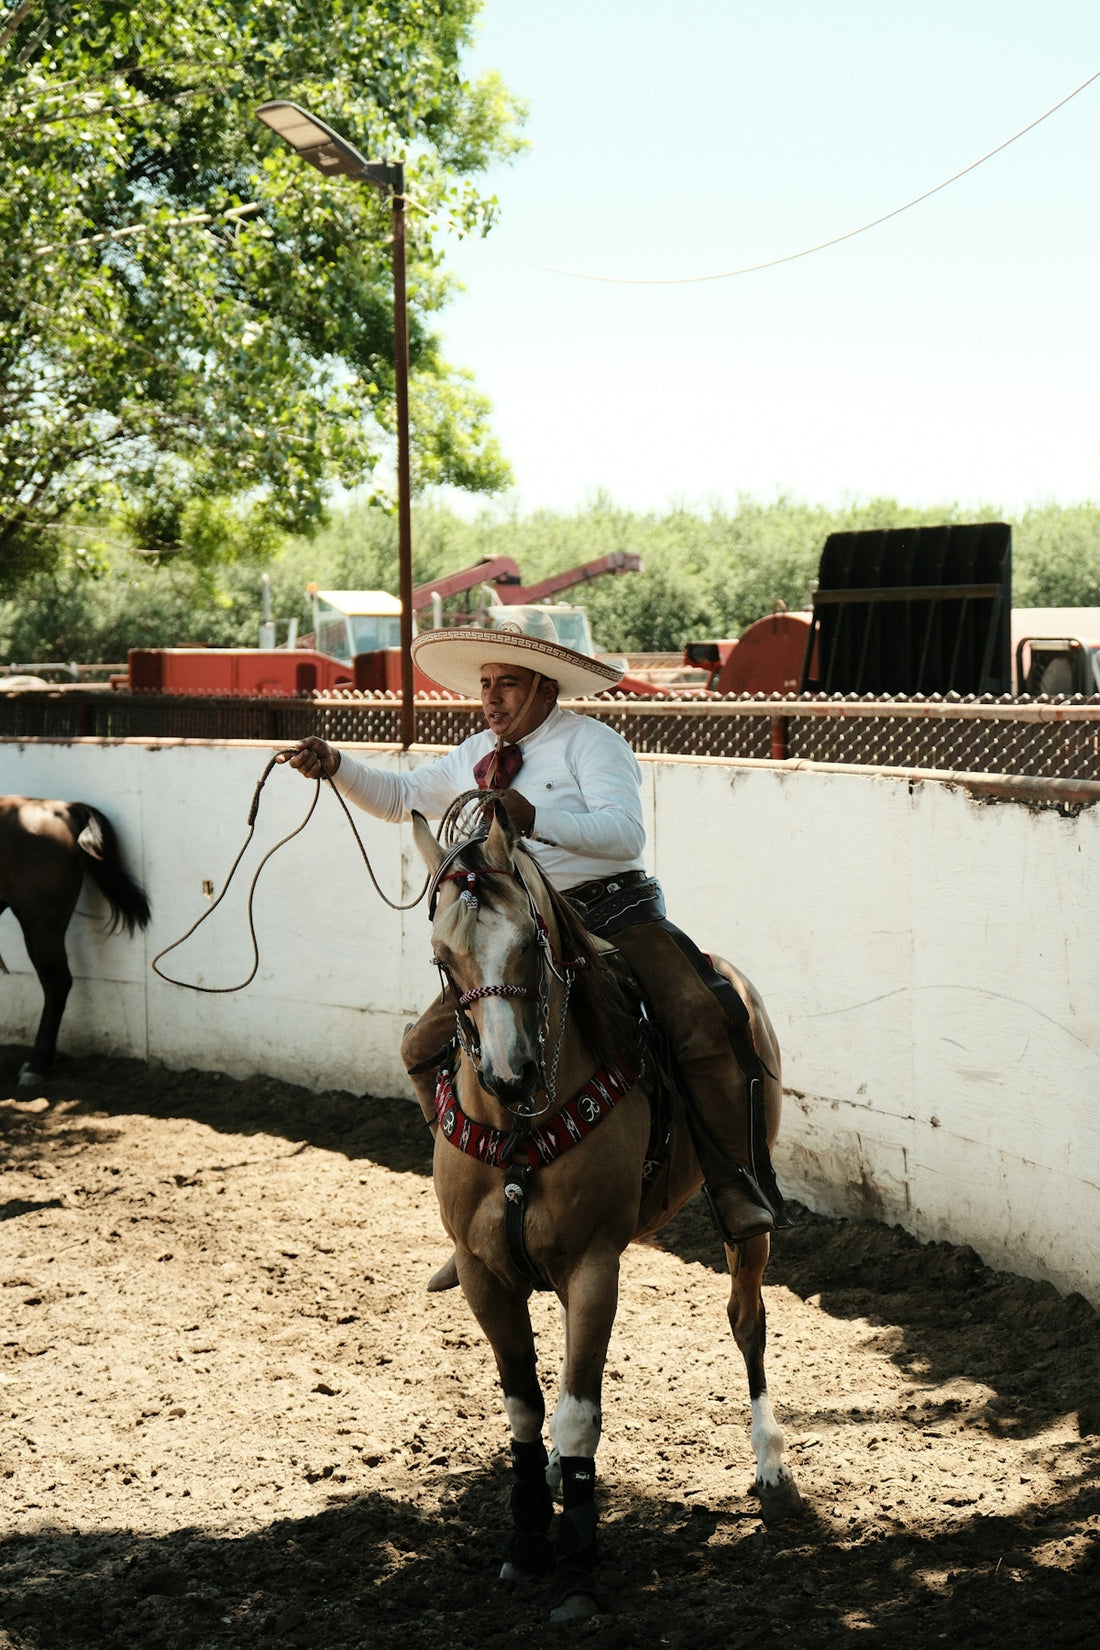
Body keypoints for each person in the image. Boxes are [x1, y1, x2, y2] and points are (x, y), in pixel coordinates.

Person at [282, 623, 784, 1288]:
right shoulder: (473, 755)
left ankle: (734, 1185)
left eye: (507, 684)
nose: (492, 698)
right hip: (522, 934)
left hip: (614, 916)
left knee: (700, 1014)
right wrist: (338, 767)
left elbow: (625, 832)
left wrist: (535, 818)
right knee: (421, 1048)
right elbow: (403, 795)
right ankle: (476, 1207)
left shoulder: (590, 743)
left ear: (545, 687)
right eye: (486, 685)